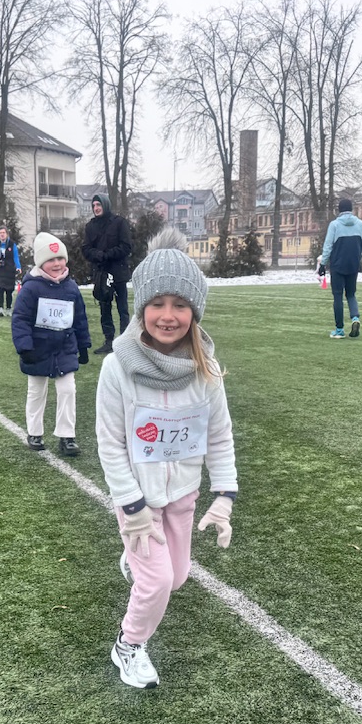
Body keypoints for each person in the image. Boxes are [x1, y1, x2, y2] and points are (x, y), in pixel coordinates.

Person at [96, 227, 238, 689]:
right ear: (142, 308)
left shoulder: (206, 371)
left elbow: (219, 436)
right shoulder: (117, 368)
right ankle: (128, 645)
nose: (168, 315)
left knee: (177, 578)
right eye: (157, 303)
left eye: (180, 304)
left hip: (182, 495)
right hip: (138, 501)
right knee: (156, 582)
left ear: (195, 311)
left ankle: (135, 562)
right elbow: (110, 444)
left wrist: (224, 496)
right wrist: (132, 507)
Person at [11, 232, 92, 456]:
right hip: (37, 349)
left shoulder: (71, 288)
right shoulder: (31, 288)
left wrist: (83, 345)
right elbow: (20, 319)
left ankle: (67, 436)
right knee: (36, 391)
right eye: (51, 259)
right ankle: (34, 432)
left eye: (60, 258)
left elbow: (79, 318)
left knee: (68, 390)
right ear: (40, 262)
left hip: (64, 348)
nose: (57, 264)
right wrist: (24, 347)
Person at [82, 193, 133, 355]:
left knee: (122, 308)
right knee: (104, 308)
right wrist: (98, 255)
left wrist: (108, 255)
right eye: (94, 205)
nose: (96, 208)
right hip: (101, 273)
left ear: (105, 205)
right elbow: (86, 249)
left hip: (118, 272)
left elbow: (126, 246)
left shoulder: (119, 223)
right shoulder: (90, 226)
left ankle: (125, 341)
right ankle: (108, 340)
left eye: (99, 205)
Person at [317, 197, 362, 339]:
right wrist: (360, 258)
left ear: (339, 210)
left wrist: (323, 264)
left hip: (338, 265)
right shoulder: (360, 224)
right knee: (351, 294)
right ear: (351, 209)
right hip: (353, 263)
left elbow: (328, 246)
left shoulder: (334, 225)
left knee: (338, 295)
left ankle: (339, 329)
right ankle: (355, 318)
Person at [0, 225, 21, 318]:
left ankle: (8, 308)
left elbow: (15, 256)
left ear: (7, 234)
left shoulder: (12, 244)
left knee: (9, 291)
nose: (2, 234)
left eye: (3, 233)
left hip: (9, 271)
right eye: (0, 233)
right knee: (0, 290)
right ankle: (0, 309)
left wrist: (18, 267)